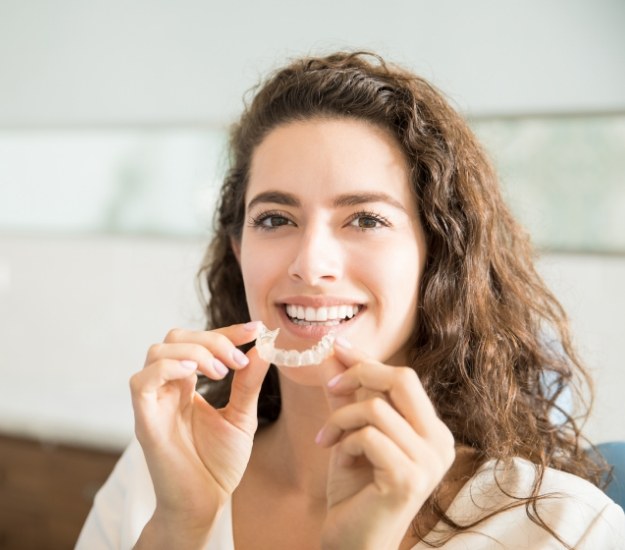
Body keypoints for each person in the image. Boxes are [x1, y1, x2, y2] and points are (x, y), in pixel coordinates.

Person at [76, 51, 625, 549]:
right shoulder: (157, 477)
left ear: (437, 256)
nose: (311, 264)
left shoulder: (565, 530)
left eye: (366, 219)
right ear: (239, 250)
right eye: (275, 218)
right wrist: (178, 528)